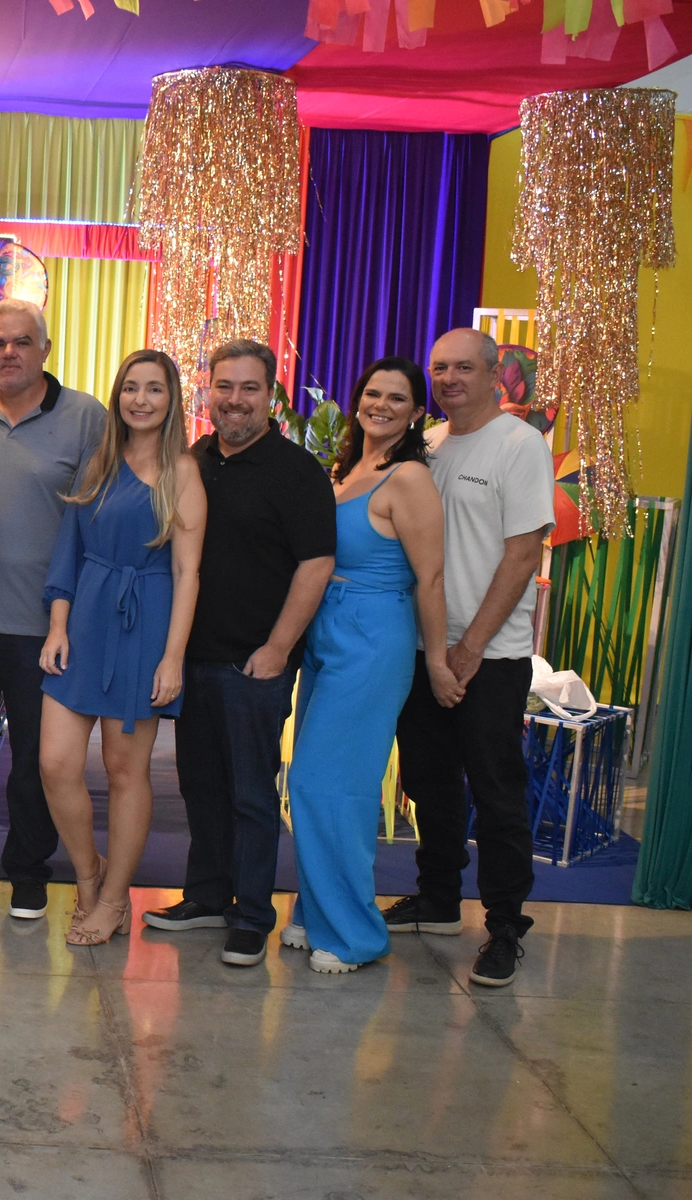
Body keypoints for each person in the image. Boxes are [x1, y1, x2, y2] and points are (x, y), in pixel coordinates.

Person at [144, 339, 336, 969]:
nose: (234, 400)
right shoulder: (192, 460)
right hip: (192, 658)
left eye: (249, 388)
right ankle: (206, 895)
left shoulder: (297, 472)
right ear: (207, 390)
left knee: (252, 795)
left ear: (270, 395)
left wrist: (278, 648)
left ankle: (252, 916)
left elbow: (316, 565)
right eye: (223, 386)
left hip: (254, 664)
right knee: (199, 786)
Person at [387, 327, 554, 988]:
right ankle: (437, 899)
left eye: (463, 367)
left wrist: (470, 646)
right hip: (423, 647)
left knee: (495, 788)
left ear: (492, 374)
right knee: (428, 781)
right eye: (439, 368)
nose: (449, 379)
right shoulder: (425, 444)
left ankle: (506, 925)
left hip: (490, 654)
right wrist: (437, 649)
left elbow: (523, 553)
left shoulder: (519, 444)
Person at [280, 358, 455, 973]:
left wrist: (437, 660)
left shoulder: (409, 479)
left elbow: (431, 579)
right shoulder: (348, 469)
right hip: (326, 631)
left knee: (331, 785)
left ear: (416, 413)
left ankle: (355, 934)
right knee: (315, 781)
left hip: (373, 636)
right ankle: (315, 912)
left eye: (397, 398)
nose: (381, 405)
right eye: (372, 393)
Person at [0, 299, 107, 921]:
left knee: (38, 759)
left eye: (22, 342)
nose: (8, 353)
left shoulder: (87, 417)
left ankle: (30, 871)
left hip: (48, 626)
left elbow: (97, 520)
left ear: (46, 349)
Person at [38, 350, 205, 946]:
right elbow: (69, 549)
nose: (141, 399)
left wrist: (173, 656)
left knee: (125, 770)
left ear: (171, 399)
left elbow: (187, 573)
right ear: (118, 396)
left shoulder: (183, 472)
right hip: (85, 618)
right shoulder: (98, 460)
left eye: (154, 389)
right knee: (55, 763)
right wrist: (58, 626)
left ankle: (114, 899)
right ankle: (89, 876)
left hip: (146, 624)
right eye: (131, 387)